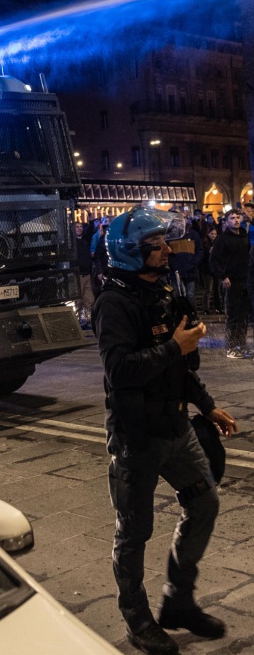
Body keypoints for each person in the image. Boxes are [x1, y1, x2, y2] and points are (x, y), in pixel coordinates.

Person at [92, 206, 237, 655]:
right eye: (155, 244)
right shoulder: (113, 303)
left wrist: (208, 406)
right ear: (132, 252)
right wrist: (176, 344)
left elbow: (180, 363)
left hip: (177, 426)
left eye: (164, 241)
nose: (166, 249)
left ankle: (178, 602)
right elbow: (119, 370)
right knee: (133, 532)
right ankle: (138, 620)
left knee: (205, 502)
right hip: (138, 435)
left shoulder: (167, 293)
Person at [210, 209, 250, 358]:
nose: (236, 220)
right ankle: (231, 347)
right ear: (226, 222)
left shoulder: (244, 237)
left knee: (243, 315)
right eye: (232, 218)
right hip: (230, 282)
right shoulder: (222, 239)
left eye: (238, 217)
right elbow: (214, 260)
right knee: (233, 315)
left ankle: (242, 344)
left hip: (244, 280)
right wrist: (223, 276)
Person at [75, 221, 94, 327]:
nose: (79, 228)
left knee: (89, 299)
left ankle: (87, 321)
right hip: (77, 275)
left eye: (80, 227)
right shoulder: (72, 242)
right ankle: (77, 321)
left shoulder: (85, 240)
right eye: (77, 227)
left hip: (87, 274)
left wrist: (90, 218)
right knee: (78, 300)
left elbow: (90, 230)